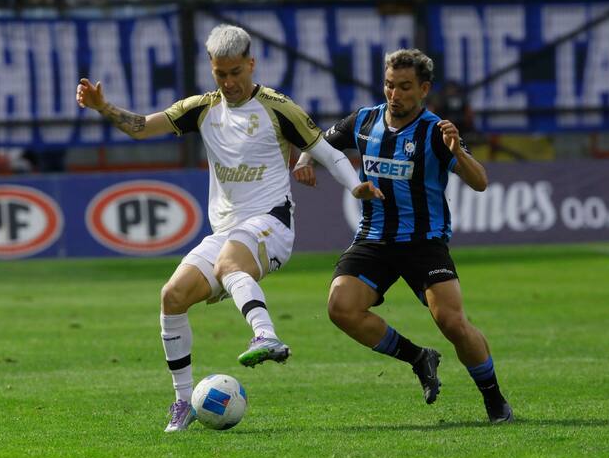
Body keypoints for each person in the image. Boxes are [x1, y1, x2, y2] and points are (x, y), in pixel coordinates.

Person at [76, 24, 382, 432]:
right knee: (172, 296)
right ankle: (182, 402)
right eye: (221, 73)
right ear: (211, 69)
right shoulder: (202, 108)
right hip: (225, 232)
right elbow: (143, 127)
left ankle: (265, 335)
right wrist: (104, 107)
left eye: (236, 72)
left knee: (228, 262)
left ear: (251, 64)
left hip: (271, 223)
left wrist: (355, 185)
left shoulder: (277, 107)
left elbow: (325, 152)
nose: (229, 81)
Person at [293, 48, 513, 423]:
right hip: (374, 239)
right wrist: (304, 159)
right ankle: (418, 357)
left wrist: (457, 151)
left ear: (424, 89)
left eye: (405, 87)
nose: (394, 95)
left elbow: (480, 182)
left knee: (452, 323)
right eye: (389, 85)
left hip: (424, 242)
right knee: (340, 307)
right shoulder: (363, 121)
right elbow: (318, 143)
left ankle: (495, 400)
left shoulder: (435, 131)